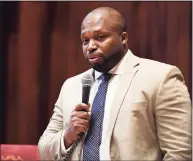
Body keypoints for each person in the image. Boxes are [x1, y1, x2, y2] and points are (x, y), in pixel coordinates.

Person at [38, 7, 191, 161]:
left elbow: (180, 152)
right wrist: (68, 135)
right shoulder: (71, 86)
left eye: (100, 37)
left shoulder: (161, 78)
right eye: (85, 40)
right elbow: (44, 150)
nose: (90, 46)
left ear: (123, 38)